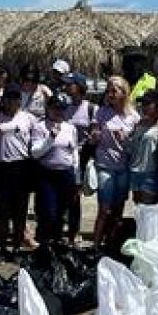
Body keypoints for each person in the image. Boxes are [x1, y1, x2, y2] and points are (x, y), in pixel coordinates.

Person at [0, 86, 38, 249]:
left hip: (22, 166)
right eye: (8, 98)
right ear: (2, 100)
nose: (11, 102)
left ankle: (16, 246)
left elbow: (35, 142)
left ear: (20, 101)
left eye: (15, 98)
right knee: (3, 210)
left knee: (20, 211)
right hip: (0, 167)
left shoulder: (28, 118)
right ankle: (2, 246)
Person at [91, 76, 140, 245]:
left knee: (118, 208)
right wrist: (95, 136)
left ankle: (112, 242)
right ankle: (96, 244)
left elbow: (135, 145)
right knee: (104, 208)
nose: (110, 94)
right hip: (105, 165)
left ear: (123, 93)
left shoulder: (133, 116)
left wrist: (126, 138)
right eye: (108, 90)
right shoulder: (101, 112)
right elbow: (93, 136)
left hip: (123, 166)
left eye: (114, 90)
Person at [30, 93, 81, 245]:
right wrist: (50, 138)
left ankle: (57, 243)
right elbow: (35, 152)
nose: (58, 112)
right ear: (48, 108)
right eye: (55, 108)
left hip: (66, 173)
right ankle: (44, 243)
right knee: (48, 213)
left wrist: (77, 178)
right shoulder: (40, 127)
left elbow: (74, 153)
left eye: (61, 109)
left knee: (61, 214)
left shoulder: (70, 128)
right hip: (47, 174)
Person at [60, 73, 96, 238]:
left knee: (75, 195)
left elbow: (95, 131)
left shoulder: (91, 109)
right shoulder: (64, 108)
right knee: (65, 195)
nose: (67, 87)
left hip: (82, 156)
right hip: (65, 156)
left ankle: (73, 232)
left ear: (79, 87)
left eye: (70, 84)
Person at [126, 91, 158, 208]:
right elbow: (131, 147)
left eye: (148, 103)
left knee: (148, 209)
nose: (144, 106)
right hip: (135, 171)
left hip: (150, 173)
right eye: (142, 103)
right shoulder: (139, 123)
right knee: (138, 209)